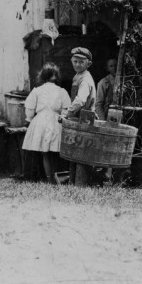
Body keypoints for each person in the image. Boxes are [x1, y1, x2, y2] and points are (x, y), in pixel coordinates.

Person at [21, 63, 71, 184]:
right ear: (56, 76)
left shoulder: (37, 91)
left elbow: (30, 108)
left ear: (43, 76)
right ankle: (53, 179)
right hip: (55, 121)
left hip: (40, 122)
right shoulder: (61, 91)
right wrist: (62, 116)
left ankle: (49, 179)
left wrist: (29, 119)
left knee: (44, 152)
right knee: (54, 152)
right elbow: (67, 109)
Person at [66, 47, 97, 185]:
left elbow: (80, 100)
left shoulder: (85, 79)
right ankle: (73, 184)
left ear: (88, 64)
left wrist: (67, 113)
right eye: (75, 61)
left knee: (81, 153)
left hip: (85, 119)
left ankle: (80, 184)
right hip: (78, 118)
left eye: (81, 62)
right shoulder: (77, 76)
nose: (77, 64)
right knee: (74, 152)